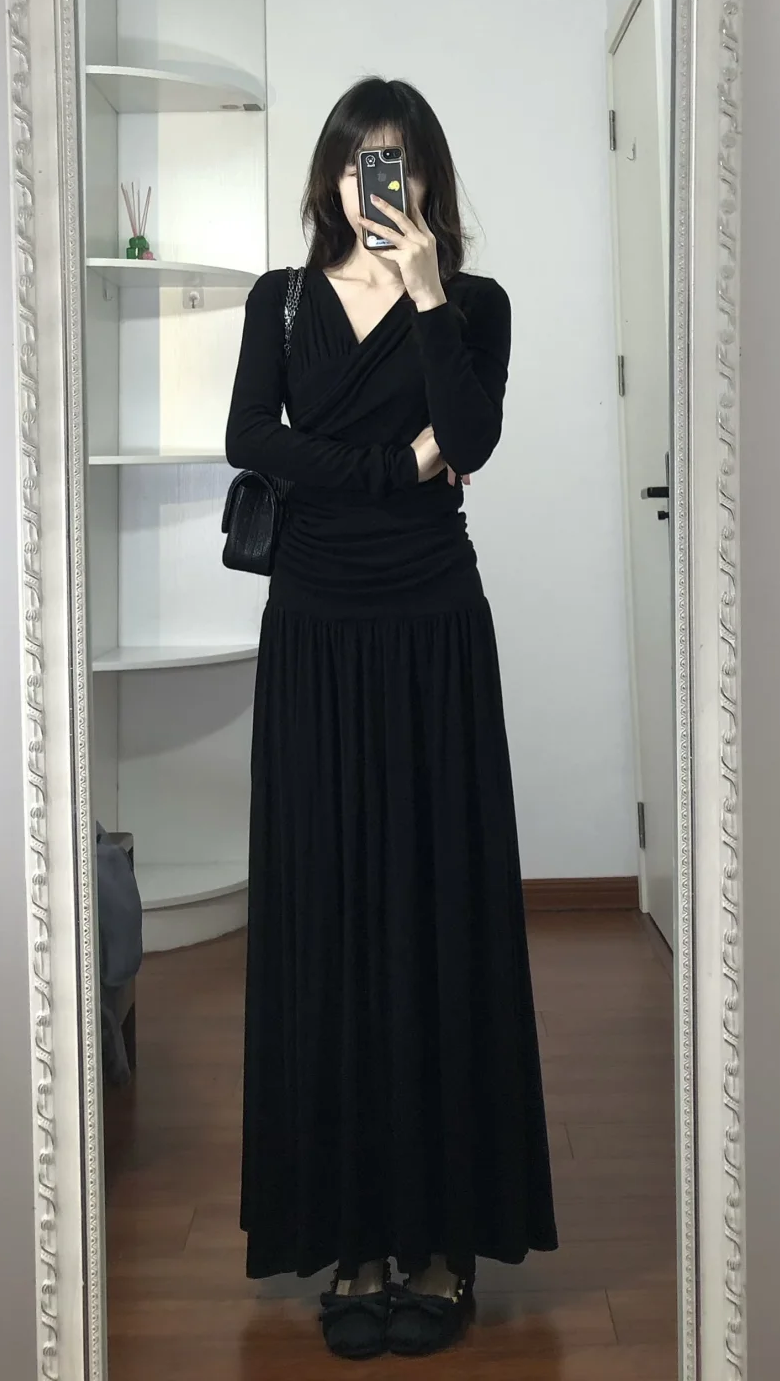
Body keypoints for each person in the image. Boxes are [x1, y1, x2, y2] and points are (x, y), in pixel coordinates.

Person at [225, 76, 558, 1360]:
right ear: (329, 176)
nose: (381, 183)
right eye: (362, 161)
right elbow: (250, 436)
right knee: (330, 910)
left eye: (401, 162)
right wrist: (389, 467)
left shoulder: (475, 305)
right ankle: (350, 1234)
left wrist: (425, 298)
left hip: (431, 625)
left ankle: (443, 1240)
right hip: (315, 625)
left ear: (429, 179)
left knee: (435, 905)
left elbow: (470, 438)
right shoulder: (281, 299)